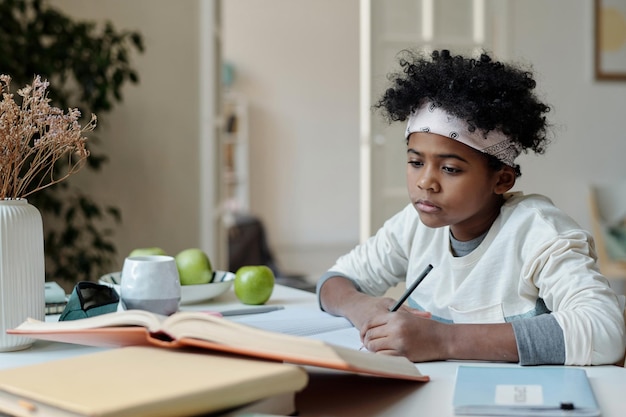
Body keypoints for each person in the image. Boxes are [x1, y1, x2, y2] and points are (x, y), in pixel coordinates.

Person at [317, 49, 626, 366]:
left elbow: (605, 331)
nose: (426, 182)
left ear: (502, 180)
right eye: (415, 162)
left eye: (450, 169)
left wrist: (442, 339)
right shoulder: (413, 225)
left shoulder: (539, 232)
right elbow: (334, 280)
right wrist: (360, 306)